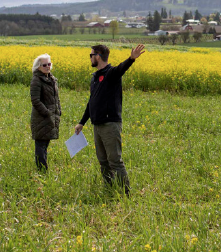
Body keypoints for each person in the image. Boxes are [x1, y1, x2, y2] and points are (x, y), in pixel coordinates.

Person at [74, 42, 146, 193]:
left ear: (98, 57)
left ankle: (126, 193)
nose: (90, 58)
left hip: (110, 124)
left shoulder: (111, 74)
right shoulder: (95, 77)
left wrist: (131, 59)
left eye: (91, 55)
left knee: (115, 161)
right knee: (103, 161)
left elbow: (121, 69)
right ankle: (109, 188)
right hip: (97, 125)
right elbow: (91, 101)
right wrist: (82, 122)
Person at [29, 54, 61, 170]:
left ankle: (43, 168)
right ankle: (42, 170)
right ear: (38, 67)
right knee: (41, 144)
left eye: (49, 64)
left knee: (45, 143)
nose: (48, 67)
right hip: (41, 118)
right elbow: (35, 101)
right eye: (44, 65)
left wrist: (58, 110)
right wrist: (47, 113)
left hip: (50, 116)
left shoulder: (51, 78)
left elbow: (56, 97)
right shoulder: (36, 80)